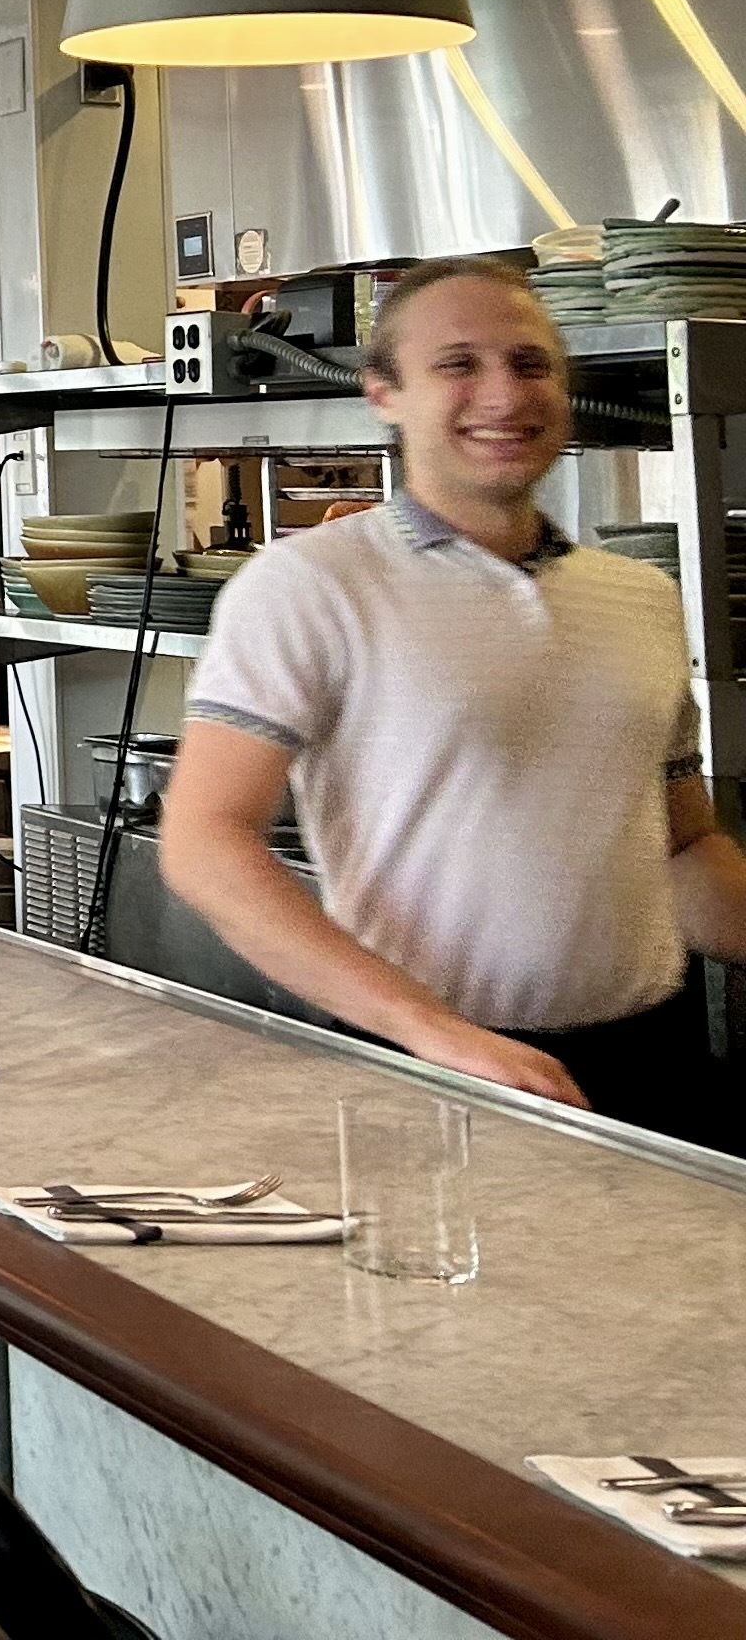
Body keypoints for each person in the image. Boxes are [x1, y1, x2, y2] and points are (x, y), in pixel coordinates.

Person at [162, 255, 746, 1146]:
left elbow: (684, 844)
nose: (503, 395)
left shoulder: (639, 596)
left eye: (530, 363)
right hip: (422, 1062)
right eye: (458, 364)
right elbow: (204, 841)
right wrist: (430, 1030)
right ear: (383, 394)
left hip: (651, 1067)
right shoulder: (310, 586)